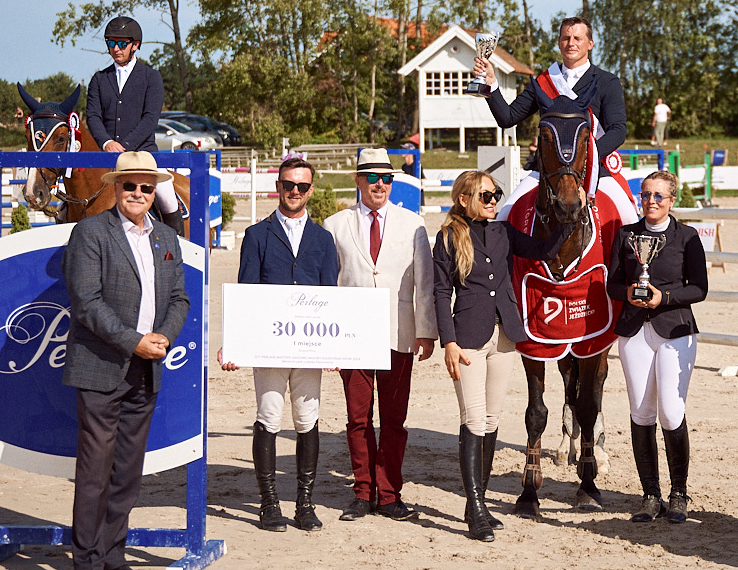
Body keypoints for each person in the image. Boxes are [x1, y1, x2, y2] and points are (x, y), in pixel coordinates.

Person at [60, 151, 191, 570]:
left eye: (146, 187)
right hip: (101, 366)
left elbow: (179, 299)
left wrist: (162, 337)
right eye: (130, 186)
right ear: (117, 188)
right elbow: (87, 302)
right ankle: (87, 566)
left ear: (155, 192)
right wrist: (133, 340)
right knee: (95, 472)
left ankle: (114, 558)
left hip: (146, 366)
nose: (138, 194)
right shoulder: (90, 232)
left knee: (127, 473)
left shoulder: (166, 237)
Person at [432, 169, 573, 541]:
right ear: (463, 199)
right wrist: (447, 341)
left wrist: (565, 221)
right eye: (485, 196)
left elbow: (542, 252)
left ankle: (477, 502)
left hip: (505, 337)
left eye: (496, 195)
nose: (493, 201)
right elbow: (440, 292)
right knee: (474, 420)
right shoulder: (447, 237)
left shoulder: (504, 232)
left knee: (493, 420)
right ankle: (475, 508)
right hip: (467, 339)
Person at [224, 156, 340, 533]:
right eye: (289, 184)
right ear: (278, 186)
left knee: (307, 420)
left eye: (302, 186)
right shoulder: (257, 235)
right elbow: (246, 291)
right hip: (269, 344)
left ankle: (304, 503)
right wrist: (236, 343)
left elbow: (330, 295)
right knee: (269, 416)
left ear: (310, 190)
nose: (295, 191)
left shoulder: (323, 239)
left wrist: (333, 349)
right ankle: (269, 502)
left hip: (309, 346)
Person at [323, 148, 436, 522]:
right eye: (372, 178)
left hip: (398, 333)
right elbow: (329, 288)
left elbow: (424, 283)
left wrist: (426, 332)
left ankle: (389, 494)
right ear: (358, 181)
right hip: (352, 336)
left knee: (393, 420)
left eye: (387, 178)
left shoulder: (413, 224)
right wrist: (330, 342)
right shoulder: (334, 225)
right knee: (357, 419)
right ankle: (362, 492)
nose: (381, 185)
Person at [605, 170, 707, 524]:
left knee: (671, 412)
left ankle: (679, 493)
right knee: (641, 411)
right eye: (645, 195)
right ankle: (650, 495)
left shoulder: (687, 237)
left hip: (675, 329)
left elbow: (700, 289)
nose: (650, 201)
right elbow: (612, 284)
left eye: (658, 196)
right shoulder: (626, 235)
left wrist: (665, 298)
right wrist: (628, 293)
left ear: (672, 200)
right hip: (634, 331)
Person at [473, 16, 635, 223]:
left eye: (577, 38)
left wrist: (588, 157)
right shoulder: (544, 81)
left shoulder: (607, 81)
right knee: (505, 217)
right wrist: (490, 83)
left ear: (590, 44)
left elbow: (618, 130)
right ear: (559, 43)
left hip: (593, 168)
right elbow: (508, 117)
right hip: (546, 170)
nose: (571, 43)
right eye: (566, 38)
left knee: (630, 219)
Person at [86, 16, 185, 233]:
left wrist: (125, 146)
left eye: (122, 44)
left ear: (135, 45)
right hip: (107, 155)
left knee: (167, 196)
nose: (116, 49)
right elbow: (92, 116)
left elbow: (150, 119)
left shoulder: (151, 78)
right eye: (111, 43)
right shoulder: (99, 80)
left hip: (144, 155)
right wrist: (106, 142)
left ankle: (177, 245)